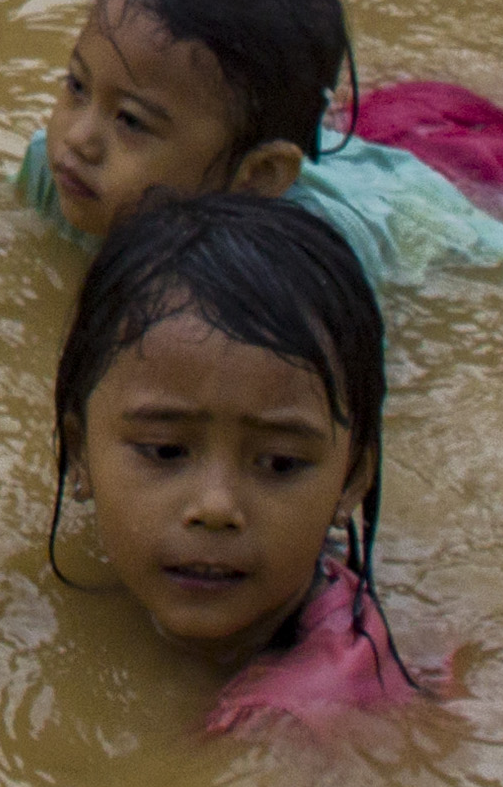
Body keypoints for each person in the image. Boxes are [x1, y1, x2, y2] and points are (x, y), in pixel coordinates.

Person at [49, 190, 436, 733]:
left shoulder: (301, 720)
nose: (216, 507)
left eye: (278, 464)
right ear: (80, 453)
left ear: (352, 478)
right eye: (165, 451)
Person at [14, 0, 503, 288]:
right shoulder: (54, 170)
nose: (78, 138)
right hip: (340, 142)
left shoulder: (289, 275)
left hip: (418, 196)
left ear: (257, 176)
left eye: (130, 121)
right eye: (77, 88)